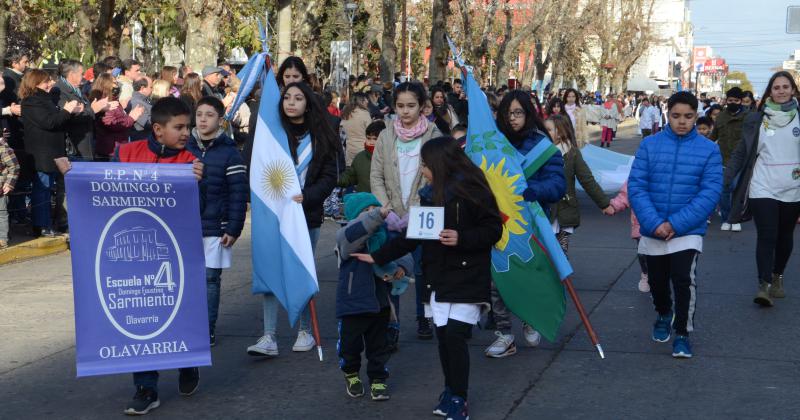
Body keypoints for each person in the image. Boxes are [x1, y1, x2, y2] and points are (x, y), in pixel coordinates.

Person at [354, 136, 503, 420]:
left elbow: (494, 229)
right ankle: (450, 389)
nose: (422, 170)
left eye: (425, 164)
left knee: (457, 337)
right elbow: (413, 236)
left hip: (468, 276)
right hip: (438, 277)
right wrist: (379, 256)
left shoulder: (475, 190)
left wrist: (462, 237)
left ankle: (460, 398)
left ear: (440, 162)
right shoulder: (428, 195)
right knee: (444, 338)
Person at [103, 97, 203, 415]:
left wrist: (198, 183)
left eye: (188, 126)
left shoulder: (192, 161)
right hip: (138, 255)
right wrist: (71, 170)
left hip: (177, 251)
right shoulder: (127, 153)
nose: (187, 132)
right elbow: (102, 190)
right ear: (158, 130)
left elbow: (201, 208)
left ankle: (188, 360)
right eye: (180, 127)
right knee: (143, 316)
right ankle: (146, 388)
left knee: (181, 312)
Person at [246, 81, 342, 357]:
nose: (291, 102)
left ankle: (304, 330)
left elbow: (328, 177)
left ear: (308, 103)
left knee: (301, 267)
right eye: (287, 97)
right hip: (273, 211)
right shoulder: (272, 135)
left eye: (298, 98)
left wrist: (308, 195)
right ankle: (269, 336)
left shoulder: (321, 136)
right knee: (269, 268)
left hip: (306, 213)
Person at [628, 91, 722, 359]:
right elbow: (637, 186)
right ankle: (663, 313)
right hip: (653, 227)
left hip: (687, 231)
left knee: (683, 279)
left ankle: (682, 333)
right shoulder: (649, 145)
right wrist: (655, 223)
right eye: (676, 116)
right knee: (657, 281)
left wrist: (676, 224)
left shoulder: (709, 150)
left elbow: (710, 193)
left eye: (689, 116)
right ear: (667, 115)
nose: (682, 121)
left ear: (696, 116)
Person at [485, 90, 566, 357]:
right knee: (498, 280)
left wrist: (535, 189)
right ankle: (505, 334)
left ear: (529, 114)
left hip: (529, 225)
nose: (513, 118)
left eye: (518, 113)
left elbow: (558, 184)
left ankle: (531, 319)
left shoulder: (543, 147)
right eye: (508, 113)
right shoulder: (492, 144)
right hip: (498, 223)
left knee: (528, 275)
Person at [370, 81, 442, 341]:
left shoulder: (433, 135)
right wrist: (385, 209)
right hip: (390, 215)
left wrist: (418, 210)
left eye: (411, 106)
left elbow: (439, 176)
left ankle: (425, 317)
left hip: (422, 215)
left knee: (424, 270)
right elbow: (376, 176)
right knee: (391, 269)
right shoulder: (386, 135)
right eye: (400, 106)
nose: (405, 111)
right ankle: (393, 324)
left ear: (422, 106)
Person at [724, 71, 800, 307]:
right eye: (776, 87)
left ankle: (778, 275)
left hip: (793, 186)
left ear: (793, 90)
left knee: (785, 235)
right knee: (767, 235)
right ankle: (764, 285)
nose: (781, 91)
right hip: (762, 185)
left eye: (785, 86)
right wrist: (723, 179)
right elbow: (741, 152)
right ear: (769, 91)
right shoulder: (756, 119)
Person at [335, 192, 414, 401]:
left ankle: (378, 378)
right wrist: (376, 216)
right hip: (353, 303)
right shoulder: (347, 235)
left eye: (375, 209)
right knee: (350, 345)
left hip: (380, 302)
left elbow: (402, 251)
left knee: (379, 345)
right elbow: (355, 234)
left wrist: (402, 268)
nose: (373, 214)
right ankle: (351, 373)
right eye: (367, 211)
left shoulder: (385, 234)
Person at [186, 96, 248, 346]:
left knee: (211, 279)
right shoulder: (184, 147)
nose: (202, 119)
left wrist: (234, 227)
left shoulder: (230, 152)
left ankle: (207, 329)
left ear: (220, 121)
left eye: (209, 115)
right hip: (186, 225)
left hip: (216, 227)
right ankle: (187, 326)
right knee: (186, 279)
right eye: (199, 114)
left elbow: (238, 192)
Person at [20, 69, 83, 237]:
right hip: (42, 153)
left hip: (53, 152)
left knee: (49, 189)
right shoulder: (31, 101)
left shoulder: (45, 99)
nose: (51, 84)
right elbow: (49, 122)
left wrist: (70, 113)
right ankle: (41, 225)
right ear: (36, 83)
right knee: (43, 188)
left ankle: (49, 223)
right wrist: (66, 111)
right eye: (46, 81)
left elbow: (56, 121)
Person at [545, 115, 614, 254]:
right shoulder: (540, 152)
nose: (545, 133)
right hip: (544, 210)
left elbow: (587, 180)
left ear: (561, 132)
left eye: (549, 130)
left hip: (564, 210)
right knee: (545, 250)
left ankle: (562, 274)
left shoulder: (572, 153)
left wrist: (604, 203)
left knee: (561, 250)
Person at [709, 87, 748, 232]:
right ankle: (726, 218)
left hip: (740, 160)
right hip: (723, 159)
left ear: (741, 101)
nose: (733, 103)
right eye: (730, 100)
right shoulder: (721, 117)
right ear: (726, 100)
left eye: (736, 100)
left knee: (737, 190)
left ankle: (735, 218)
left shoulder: (748, 117)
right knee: (724, 190)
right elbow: (714, 136)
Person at [89, 73, 145, 160]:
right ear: (106, 85)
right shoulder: (104, 103)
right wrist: (131, 118)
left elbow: (119, 118)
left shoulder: (114, 100)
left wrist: (129, 114)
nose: (117, 86)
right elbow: (112, 124)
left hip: (118, 148)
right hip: (110, 152)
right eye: (114, 83)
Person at [56, 59, 101, 160]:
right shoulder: (59, 90)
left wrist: (96, 108)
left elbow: (83, 109)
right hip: (76, 145)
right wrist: (92, 110)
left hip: (86, 142)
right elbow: (67, 117)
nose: (84, 76)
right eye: (81, 74)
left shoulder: (76, 89)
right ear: (72, 74)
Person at [609, 181, 649, 292]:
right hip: (641, 222)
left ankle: (661, 275)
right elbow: (626, 192)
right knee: (643, 253)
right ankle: (646, 273)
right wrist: (614, 206)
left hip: (663, 221)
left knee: (664, 253)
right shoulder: (641, 169)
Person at [339, 120, 384, 193]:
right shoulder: (360, 157)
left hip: (385, 202)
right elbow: (350, 176)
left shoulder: (391, 157)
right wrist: (335, 178)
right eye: (369, 138)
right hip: (364, 201)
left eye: (375, 139)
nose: (371, 142)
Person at [341, 92, 373, 165]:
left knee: (350, 172)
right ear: (361, 101)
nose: (367, 101)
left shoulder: (346, 113)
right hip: (362, 149)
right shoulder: (365, 113)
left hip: (349, 149)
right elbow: (370, 131)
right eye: (366, 99)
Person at [0, 130, 19, 249]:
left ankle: (2, 239)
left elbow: (14, 167)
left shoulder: (4, 149)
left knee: (1, 214)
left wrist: (9, 184)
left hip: (1, 187)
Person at [129, 76, 153, 141]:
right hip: (142, 141)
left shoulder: (144, 100)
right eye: (151, 87)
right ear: (142, 88)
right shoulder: (137, 103)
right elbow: (147, 123)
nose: (152, 89)